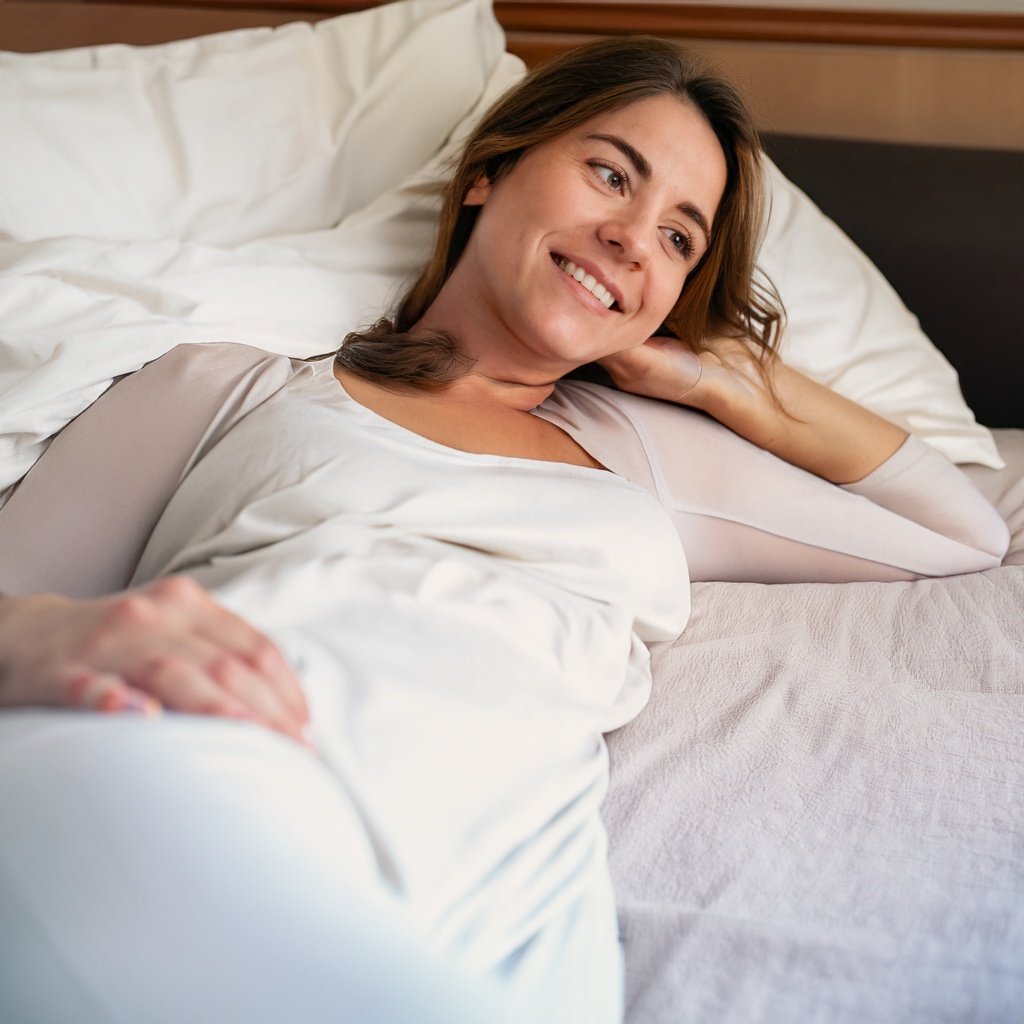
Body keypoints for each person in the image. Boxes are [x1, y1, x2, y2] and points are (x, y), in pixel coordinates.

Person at [0, 36, 1008, 1024]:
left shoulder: (648, 457)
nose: (630, 236)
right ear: (489, 172)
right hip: (192, 766)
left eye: (678, 238)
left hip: (503, 908)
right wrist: (38, 634)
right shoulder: (240, 383)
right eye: (611, 175)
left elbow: (957, 530)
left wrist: (729, 378)